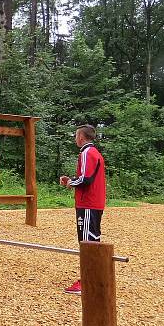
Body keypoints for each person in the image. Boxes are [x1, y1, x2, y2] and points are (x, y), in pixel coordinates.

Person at [59, 124, 106, 295]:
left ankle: (87, 281)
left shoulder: (87, 152)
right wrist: (71, 179)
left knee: (87, 242)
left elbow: (86, 180)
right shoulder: (93, 153)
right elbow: (86, 177)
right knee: (92, 240)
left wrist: (71, 182)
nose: (75, 138)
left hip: (88, 203)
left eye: (76, 135)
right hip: (93, 202)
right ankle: (97, 276)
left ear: (81, 137)